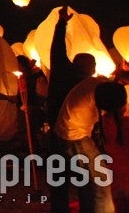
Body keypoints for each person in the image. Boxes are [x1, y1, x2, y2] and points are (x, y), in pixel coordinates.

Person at [49, 77, 125, 213]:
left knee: (86, 183)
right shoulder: (86, 105)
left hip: (69, 132)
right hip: (73, 137)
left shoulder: (101, 85)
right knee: (101, 180)